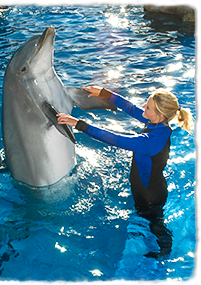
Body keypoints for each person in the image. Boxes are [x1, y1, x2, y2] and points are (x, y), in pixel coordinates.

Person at [57, 85, 193, 257]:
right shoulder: (159, 125)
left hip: (149, 196)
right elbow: (130, 107)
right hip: (152, 187)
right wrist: (105, 93)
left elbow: (115, 139)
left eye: (148, 107)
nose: (143, 107)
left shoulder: (150, 140)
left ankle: (164, 251)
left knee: (154, 223)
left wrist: (79, 124)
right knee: (147, 220)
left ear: (159, 115)